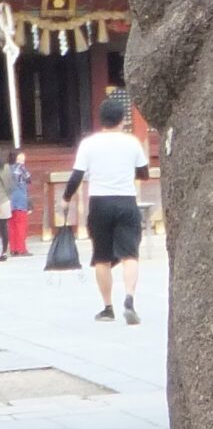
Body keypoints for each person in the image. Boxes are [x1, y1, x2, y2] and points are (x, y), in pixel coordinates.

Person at [64, 93, 149, 323]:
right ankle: (129, 298)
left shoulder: (89, 144)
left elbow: (76, 176)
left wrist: (66, 198)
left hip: (99, 202)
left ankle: (107, 308)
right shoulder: (132, 142)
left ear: (100, 119)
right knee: (130, 254)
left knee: (101, 257)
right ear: (123, 119)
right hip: (126, 201)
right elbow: (144, 173)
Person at [4, 148, 28, 259]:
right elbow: (28, 179)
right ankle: (21, 248)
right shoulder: (21, 168)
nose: (23, 158)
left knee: (11, 226)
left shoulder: (6, 169)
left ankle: (13, 248)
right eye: (21, 156)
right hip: (20, 199)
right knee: (21, 226)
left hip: (9, 200)